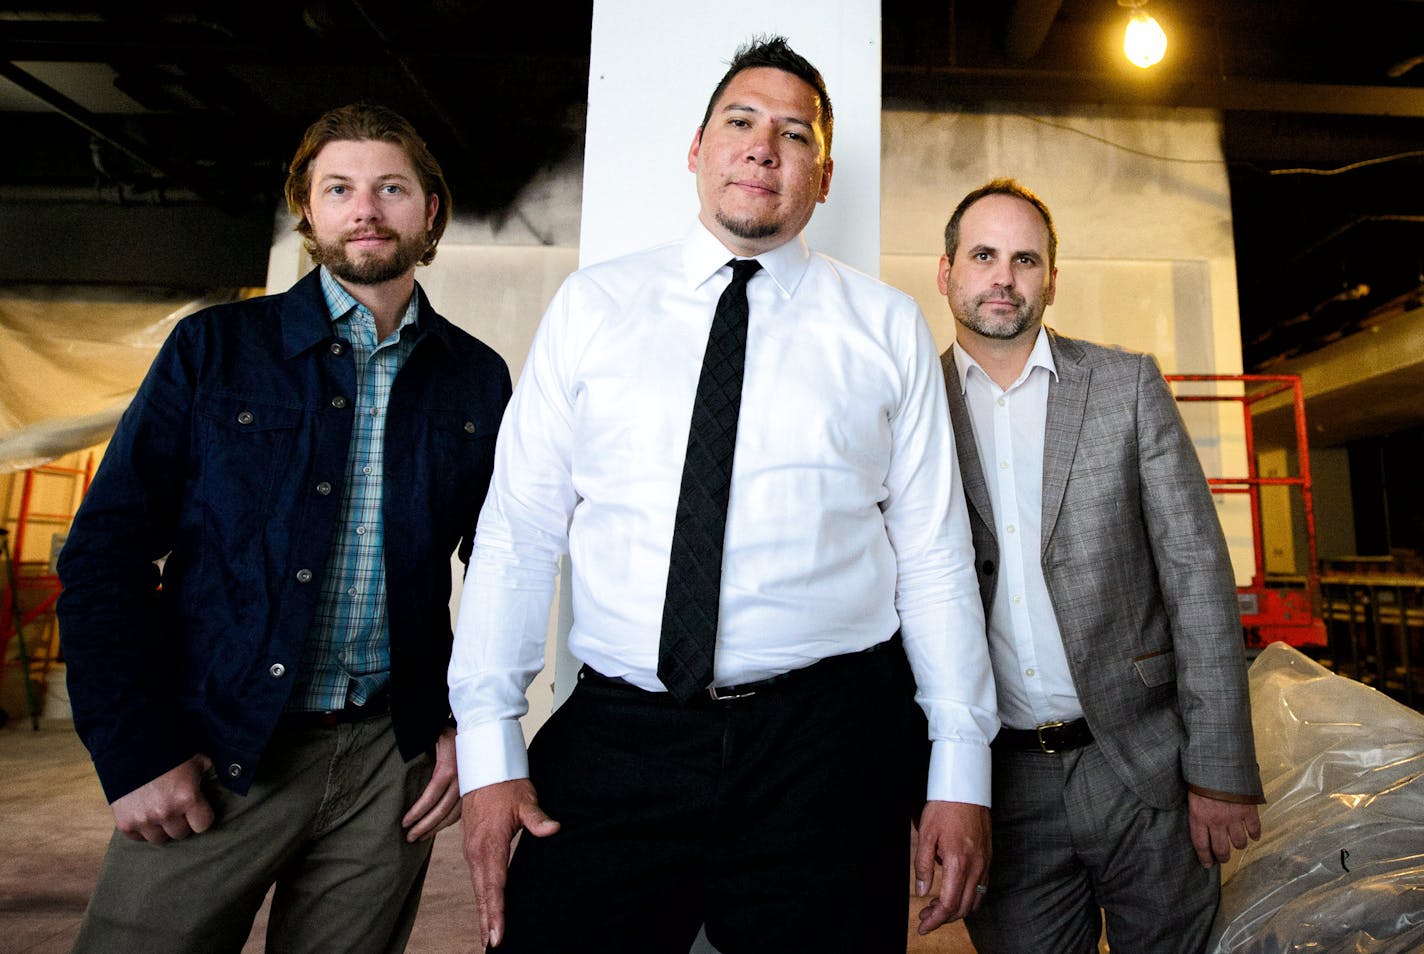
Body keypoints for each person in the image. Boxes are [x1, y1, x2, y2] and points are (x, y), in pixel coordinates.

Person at [450, 36, 997, 954]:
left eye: (794, 133)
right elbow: (517, 535)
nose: (762, 146)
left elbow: (934, 556)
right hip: (621, 729)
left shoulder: (885, 326)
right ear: (697, 149)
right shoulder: (593, 309)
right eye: (740, 122)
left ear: (822, 178)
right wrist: (490, 749)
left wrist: (960, 768)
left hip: (824, 747)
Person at [56, 103, 512, 953]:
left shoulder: (475, 379)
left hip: (390, 764)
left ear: (431, 210)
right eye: (338, 188)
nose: (365, 208)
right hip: (216, 749)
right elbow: (104, 555)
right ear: (309, 209)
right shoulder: (214, 350)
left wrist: (465, 728)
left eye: (390, 188)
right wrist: (133, 752)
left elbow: (500, 569)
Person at [935, 177, 1265, 953]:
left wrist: (1220, 769)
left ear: (1053, 277)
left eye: (1026, 259)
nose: (1004, 277)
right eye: (983, 255)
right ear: (946, 271)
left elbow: (1197, 578)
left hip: (1142, 766)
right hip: (999, 787)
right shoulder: (912, 405)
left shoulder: (1126, 385)